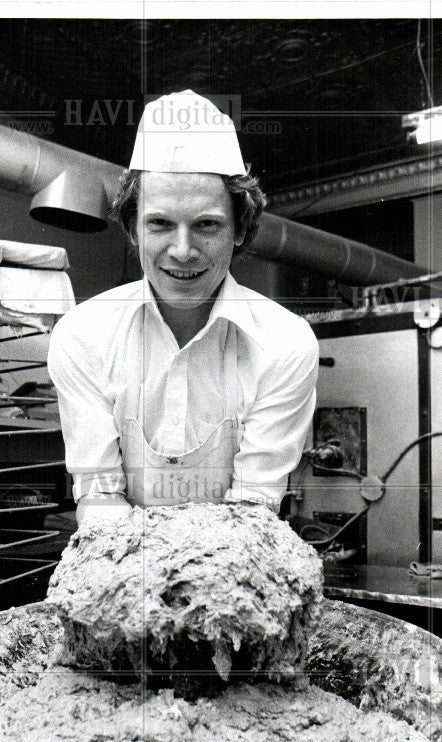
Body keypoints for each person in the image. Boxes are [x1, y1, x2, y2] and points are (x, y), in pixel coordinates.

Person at [48, 90, 319, 526]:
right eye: (159, 224)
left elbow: (253, 507)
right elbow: (100, 497)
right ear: (133, 229)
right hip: (122, 564)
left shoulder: (285, 343)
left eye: (206, 225)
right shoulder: (82, 335)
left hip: (235, 568)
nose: (182, 250)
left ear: (239, 229)